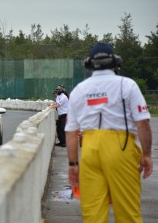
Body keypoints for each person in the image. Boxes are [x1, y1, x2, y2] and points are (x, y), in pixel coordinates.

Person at [65, 43, 153, 222]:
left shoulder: (79, 90)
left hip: (89, 149)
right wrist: (147, 154)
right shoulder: (127, 85)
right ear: (115, 62)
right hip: (121, 147)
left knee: (93, 214)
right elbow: (142, 122)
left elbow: (71, 132)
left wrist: (73, 164)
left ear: (89, 64)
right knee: (128, 212)